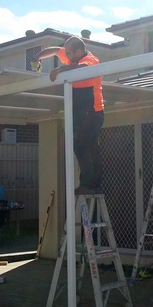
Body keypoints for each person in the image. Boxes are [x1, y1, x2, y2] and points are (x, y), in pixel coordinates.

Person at [33, 36, 104, 195]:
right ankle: (94, 184)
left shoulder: (90, 60)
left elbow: (82, 67)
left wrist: (59, 70)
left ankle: (87, 184)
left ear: (79, 51)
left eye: (70, 54)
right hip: (83, 111)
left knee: (81, 146)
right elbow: (53, 50)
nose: (67, 56)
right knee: (91, 147)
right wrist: (37, 57)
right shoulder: (71, 54)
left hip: (92, 111)